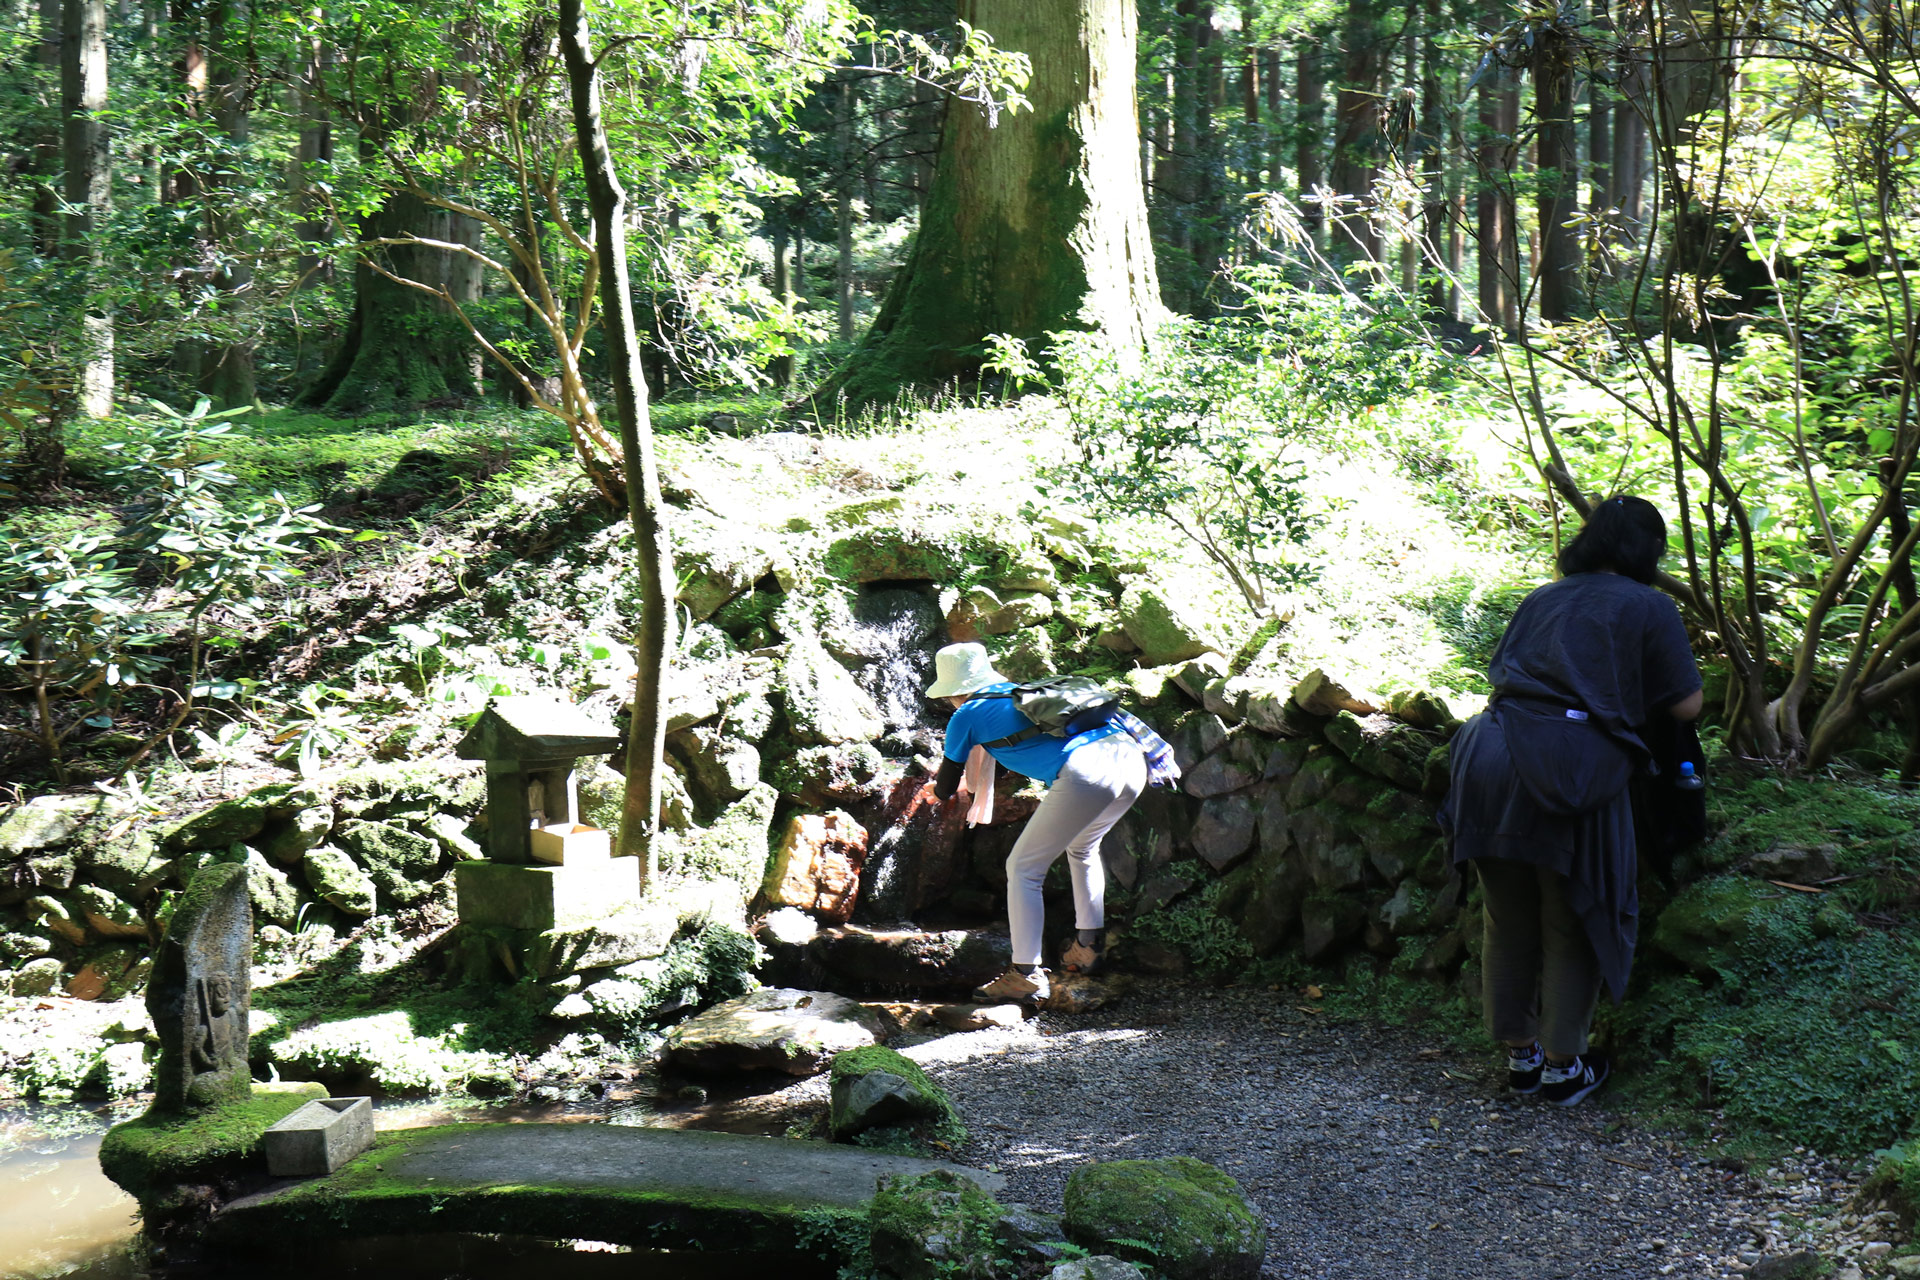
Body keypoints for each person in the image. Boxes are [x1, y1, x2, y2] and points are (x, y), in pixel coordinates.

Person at [1442, 496, 1703, 1106]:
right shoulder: (1648, 605)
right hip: (1567, 763)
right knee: (1575, 912)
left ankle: (1521, 1057)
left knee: (1506, 918)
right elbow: (1687, 706)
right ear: (1647, 552)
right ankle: (1565, 1066)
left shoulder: (1543, 596)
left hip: (1487, 751)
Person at [923, 642, 1172, 1003]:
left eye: (948, 697)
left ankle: (1025, 975)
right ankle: (1088, 947)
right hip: (1129, 759)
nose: (950, 703)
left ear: (954, 690)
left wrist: (935, 783)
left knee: (1022, 867)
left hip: (1087, 771)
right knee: (1083, 848)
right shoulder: (1020, 694)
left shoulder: (967, 715)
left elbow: (945, 788)